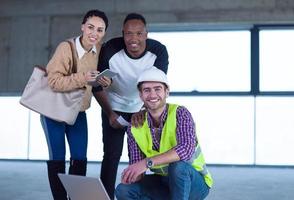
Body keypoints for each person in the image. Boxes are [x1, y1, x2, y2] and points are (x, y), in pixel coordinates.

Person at [92, 13, 169, 199]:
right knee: (111, 155)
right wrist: (110, 113)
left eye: (139, 33)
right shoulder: (110, 49)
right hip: (113, 105)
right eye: (128, 34)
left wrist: (143, 111)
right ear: (122, 34)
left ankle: (136, 195)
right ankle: (106, 197)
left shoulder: (158, 51)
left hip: (141, 107)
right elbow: (97, 86)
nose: (133, 39)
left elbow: (156, 89)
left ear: (146, 34)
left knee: (140, 158)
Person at [40, 10, 109, 200]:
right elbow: (53, 81)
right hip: (54, 112)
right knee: (58, 158)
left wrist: (103, 81)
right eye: (90, 27)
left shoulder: (99, 50)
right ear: (82, 27)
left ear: (104, 33)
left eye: (100, 30)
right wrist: (83, 78)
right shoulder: (66, 47)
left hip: (78, 111)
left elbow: (94, 80)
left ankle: (76, 198)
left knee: (80, 158)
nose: (94, 33)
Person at [115, 67, 213, 200]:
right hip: (164, 183)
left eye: (157, 89)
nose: (152, 95)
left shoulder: (180, 113)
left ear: (167, 92)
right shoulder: (135, 126)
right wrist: (132, 175)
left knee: (178, 167)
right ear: (140, 95)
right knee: (123, 190)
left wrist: (146, 163)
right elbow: (138, 165)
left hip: (193, 183)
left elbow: (186, 150)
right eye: (147, 90)